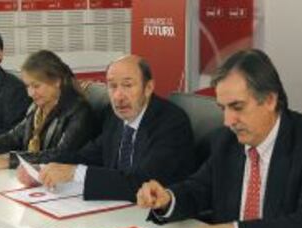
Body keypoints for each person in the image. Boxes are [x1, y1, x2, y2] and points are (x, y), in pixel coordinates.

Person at [136, 49, 302, 228]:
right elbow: (199, 188)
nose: (228, 121)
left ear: (269, 100)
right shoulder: (225, 141)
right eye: (223, 108)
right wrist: (167, 199)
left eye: (237, 107)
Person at [18, 55, 196, 202]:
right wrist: (42, 168)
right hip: (117, 209)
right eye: (112, 86)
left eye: (127, 85)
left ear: (148, 87)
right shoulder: (114, 116)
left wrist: (75, 172)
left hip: (157, 217)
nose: (118, 96)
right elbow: (87, 155)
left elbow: (141, 180)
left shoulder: (171, 122)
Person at [0, 50, 96, 170]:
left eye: (36, 86)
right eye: (28, 86)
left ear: (57, 81)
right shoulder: (37, 107)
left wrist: (9, 160)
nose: (30, 93)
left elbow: (60, 155)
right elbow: (15, 136)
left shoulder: (78, 111)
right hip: (33, 175)